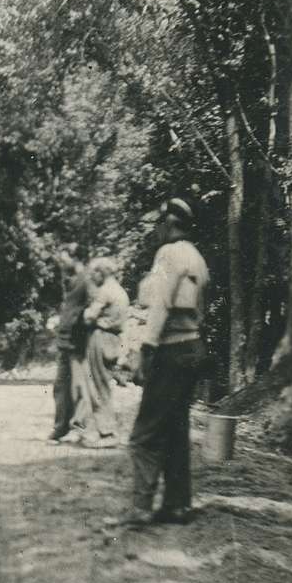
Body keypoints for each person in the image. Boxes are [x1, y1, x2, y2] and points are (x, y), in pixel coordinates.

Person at [115, 199, 210, 527]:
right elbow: (201, 310)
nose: (156, 231)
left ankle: (141, 507)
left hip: (170, 350)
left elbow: (160, 305)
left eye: (158, 224)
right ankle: (178, 504)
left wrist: (146, 348)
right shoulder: (197, 257)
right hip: (193, 347)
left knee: (146, 431)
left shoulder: (168, 254)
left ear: (169, 224)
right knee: (176, 429)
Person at [70, 257, 130, 448]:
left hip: (100, 337)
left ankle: (107, 433)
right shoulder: (121, 292)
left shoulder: (104, 291)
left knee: (97, 386)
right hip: (115, 339)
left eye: (94, 272)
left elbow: (89, 316)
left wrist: (87, 314)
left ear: (102, 272)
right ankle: (105, 430)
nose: (92, 276)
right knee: (104, 385)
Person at [46, 252, 91, 445]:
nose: (61, 264)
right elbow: (70, 309)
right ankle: (60, 428)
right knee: (61, 387)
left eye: (63, 260)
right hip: (64, 341)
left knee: (78, 386)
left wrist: (77, 325)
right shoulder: (70, 281)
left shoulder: (87, 280)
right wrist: (60, 321)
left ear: (76, 258)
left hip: (78, 341)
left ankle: (77, 428)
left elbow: (91, 309)